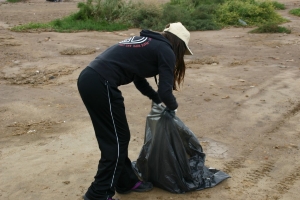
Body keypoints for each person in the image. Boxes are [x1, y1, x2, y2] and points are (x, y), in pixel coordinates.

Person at [77, 22, 193, 200]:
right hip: (101, 83)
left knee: (119, 137)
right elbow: (165, 91)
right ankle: (98, 194)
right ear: (179, 44)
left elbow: (139, 80)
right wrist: (172, 107)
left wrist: (155, 99)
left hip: (92, 79)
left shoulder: (148, 42)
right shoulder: (166, 50)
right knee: (115, 141)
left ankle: (126, 182)